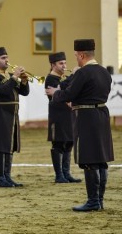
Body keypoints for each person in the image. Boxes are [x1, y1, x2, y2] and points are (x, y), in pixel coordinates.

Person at [46, 39, 114, 212]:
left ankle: (92, 201)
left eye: (76, 55)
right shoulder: (104, 72)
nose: (76, 59)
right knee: (101, 160)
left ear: (82, 54)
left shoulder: (84, 73)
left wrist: (56, 93)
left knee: (90, 159)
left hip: (86, 117)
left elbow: (70, 93)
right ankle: (99, 200)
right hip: (102, 115)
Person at [0, 47, 29, 187]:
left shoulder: (9, 76)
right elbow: (2, 91)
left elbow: (24, 92)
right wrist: (15, 77)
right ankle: (0, 178)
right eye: (3, 58)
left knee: (10, 145)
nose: (7, 60)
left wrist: (23, 81)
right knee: (1, 145)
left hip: (12, 114)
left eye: (6, 57)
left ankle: (7, 176)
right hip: (0, 113)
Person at [45, 52, 81, 184]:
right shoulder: (50, 79)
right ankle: (59, 175)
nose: (64, 65)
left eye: (65, 63)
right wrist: (73, 76)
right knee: (58, 144)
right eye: (61, 63)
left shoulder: (63, 78)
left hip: (68, 115)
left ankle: (66, 173)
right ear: (53, 65)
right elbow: (57, 94)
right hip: (58, 116)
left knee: (69, 143)